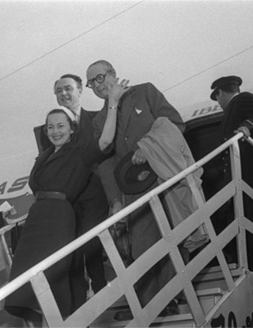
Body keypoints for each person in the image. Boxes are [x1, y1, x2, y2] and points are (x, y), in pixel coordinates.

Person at [5, 77, 128, 325]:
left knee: (52, 276)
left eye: (61, 126)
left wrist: (113, 103)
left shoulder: (79, 152)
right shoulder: (45, 155)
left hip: (59, 219)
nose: (55, 132)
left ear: (72, 128)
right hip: (36, 222)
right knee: (27, 280)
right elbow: (38, 188)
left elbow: (104, 141)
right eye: (50, 127)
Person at [87, 60, 185, 319]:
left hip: (166, 178)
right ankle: (153, 304)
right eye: (91, 83)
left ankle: (171, 296)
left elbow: (176, 123)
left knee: (177, 236)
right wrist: (115, 201)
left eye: (100, 78)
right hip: (134, 191)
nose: (97, 85)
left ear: (113, 74)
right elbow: (106, 165)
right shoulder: (99, 121)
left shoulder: (145, 92)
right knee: (142, 246)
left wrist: (149, 147)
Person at [34, 74, 110, 310]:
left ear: (80, 91)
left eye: (68, 89)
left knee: (90, 243)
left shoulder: (98, 118)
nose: (63, 94)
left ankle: (100, 288)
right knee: (72, 253)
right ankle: (78, 304)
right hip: (67, 200)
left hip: (94, 192)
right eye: (58, 91)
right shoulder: (46, 130)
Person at [210, 75, 253, 281]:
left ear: (220, 92)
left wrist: (248, 126)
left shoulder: (242, 99)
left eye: (217, 98)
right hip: (241, 178)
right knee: (243, 226)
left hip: (250, 176)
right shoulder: (234, 107)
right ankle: (248, 269)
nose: (219, 104)